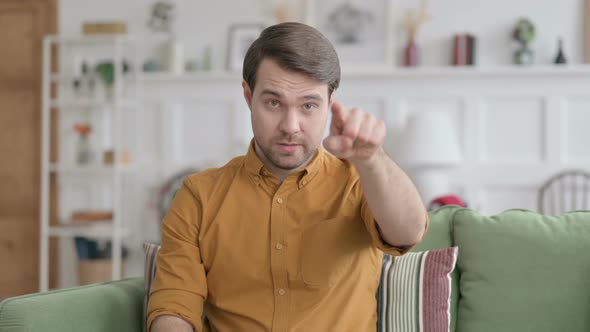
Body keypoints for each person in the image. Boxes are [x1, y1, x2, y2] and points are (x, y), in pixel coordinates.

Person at [148, 22, 428, 332]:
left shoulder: (361, 182)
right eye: (273, 103)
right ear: (248, 95)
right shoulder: (198, 195)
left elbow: (407, 233)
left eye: (308, 105)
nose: (290, 125)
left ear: (329, 103)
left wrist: (372, 158)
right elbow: (174, 305)